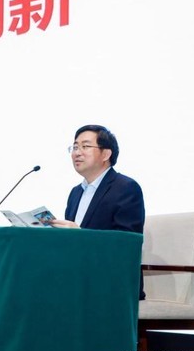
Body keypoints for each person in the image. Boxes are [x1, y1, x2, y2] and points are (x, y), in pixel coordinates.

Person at [49, 124, 146, 300]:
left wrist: (80, 235)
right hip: (79, 278)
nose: (77, 153)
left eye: (85, 146)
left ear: (106, 154)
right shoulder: (75, 193)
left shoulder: (125, 188)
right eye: (75, 147)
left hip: (112, 282)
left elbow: (127, 244)